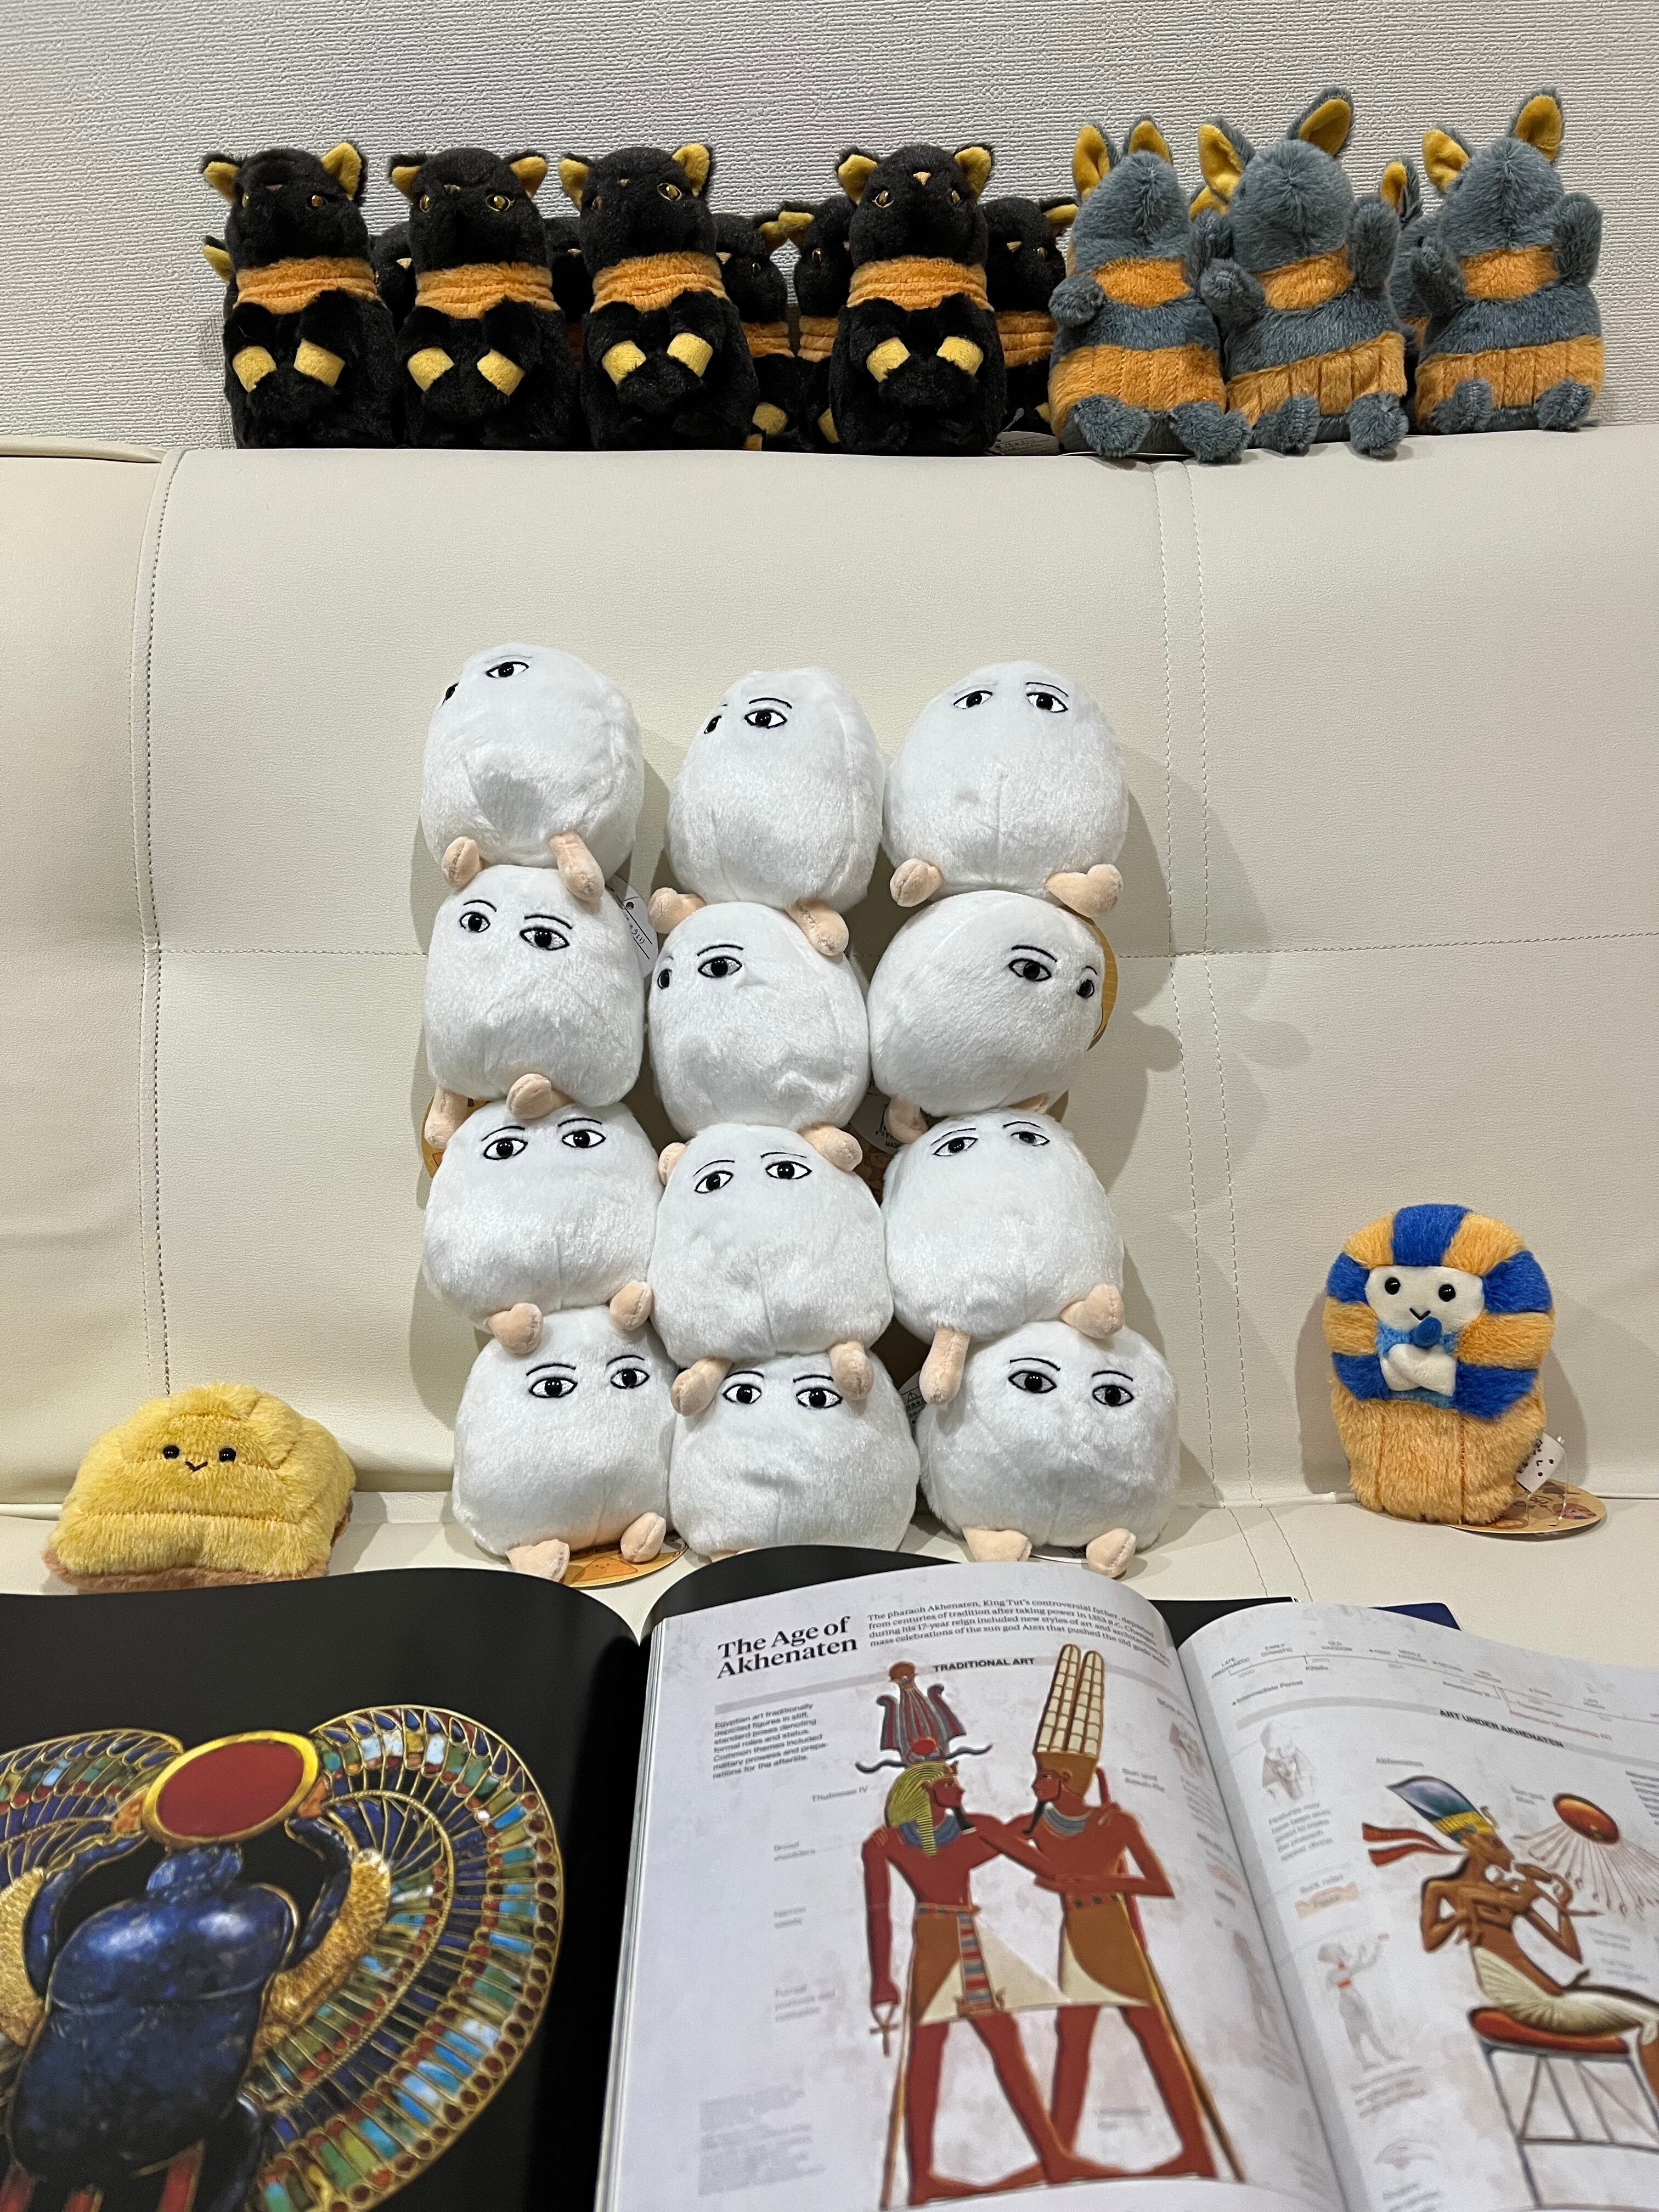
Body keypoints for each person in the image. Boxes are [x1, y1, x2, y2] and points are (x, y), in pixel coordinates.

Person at [969, 1646, 1237, 2180]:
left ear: (1066, 1777)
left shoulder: (1114, 1824)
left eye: (1045, 1774)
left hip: (1113, 1935)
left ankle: (1197, 2152)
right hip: (1078, 1939)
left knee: (1151, 2036)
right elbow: (1002, 1841)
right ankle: (1061, 2156)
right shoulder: (1040, 1822)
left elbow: (1158, 1884)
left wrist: (1095, 1881)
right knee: (1074, 2039)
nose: (1035, 1782)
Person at [860, 1663, 1108, 2204]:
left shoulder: (965, 1834)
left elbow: (1025, 1845)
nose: (960, 1785)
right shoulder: (890, 1844)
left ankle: (1053, 2159)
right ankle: (924, 2178)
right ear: (925, 1789)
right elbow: (879, 1913)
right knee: (932, 2051)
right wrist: (881, 1979)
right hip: (939, 1944)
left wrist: (1059, 1812)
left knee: (1003, 2043)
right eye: (951, 1781)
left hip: (964, 1940)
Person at [1368, 1775, 1659, 2094]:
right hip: (1530, 2000)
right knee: (1654, 2020)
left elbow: (1570, 1950)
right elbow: (1431, 1939)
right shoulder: (1445, 1888)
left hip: (1553, 1996)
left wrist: (1562, 1909)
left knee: (1653, 2017)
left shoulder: (1505, 1891)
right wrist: (1461, 1917)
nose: (1505, 1852)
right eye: (1495, 1844)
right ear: (1472, 1843)